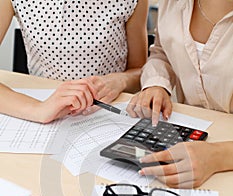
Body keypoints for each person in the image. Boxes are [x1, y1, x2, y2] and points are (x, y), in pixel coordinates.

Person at [127, 0, 233, 188]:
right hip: (192, 144)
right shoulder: (172, 3)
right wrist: (157, 84)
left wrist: (218, 156)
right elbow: (162, 52)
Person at [0, 0, 148, 123]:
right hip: (44, 108)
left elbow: (140, 71)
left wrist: (121, 80)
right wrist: (38, 109)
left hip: (107, 111)